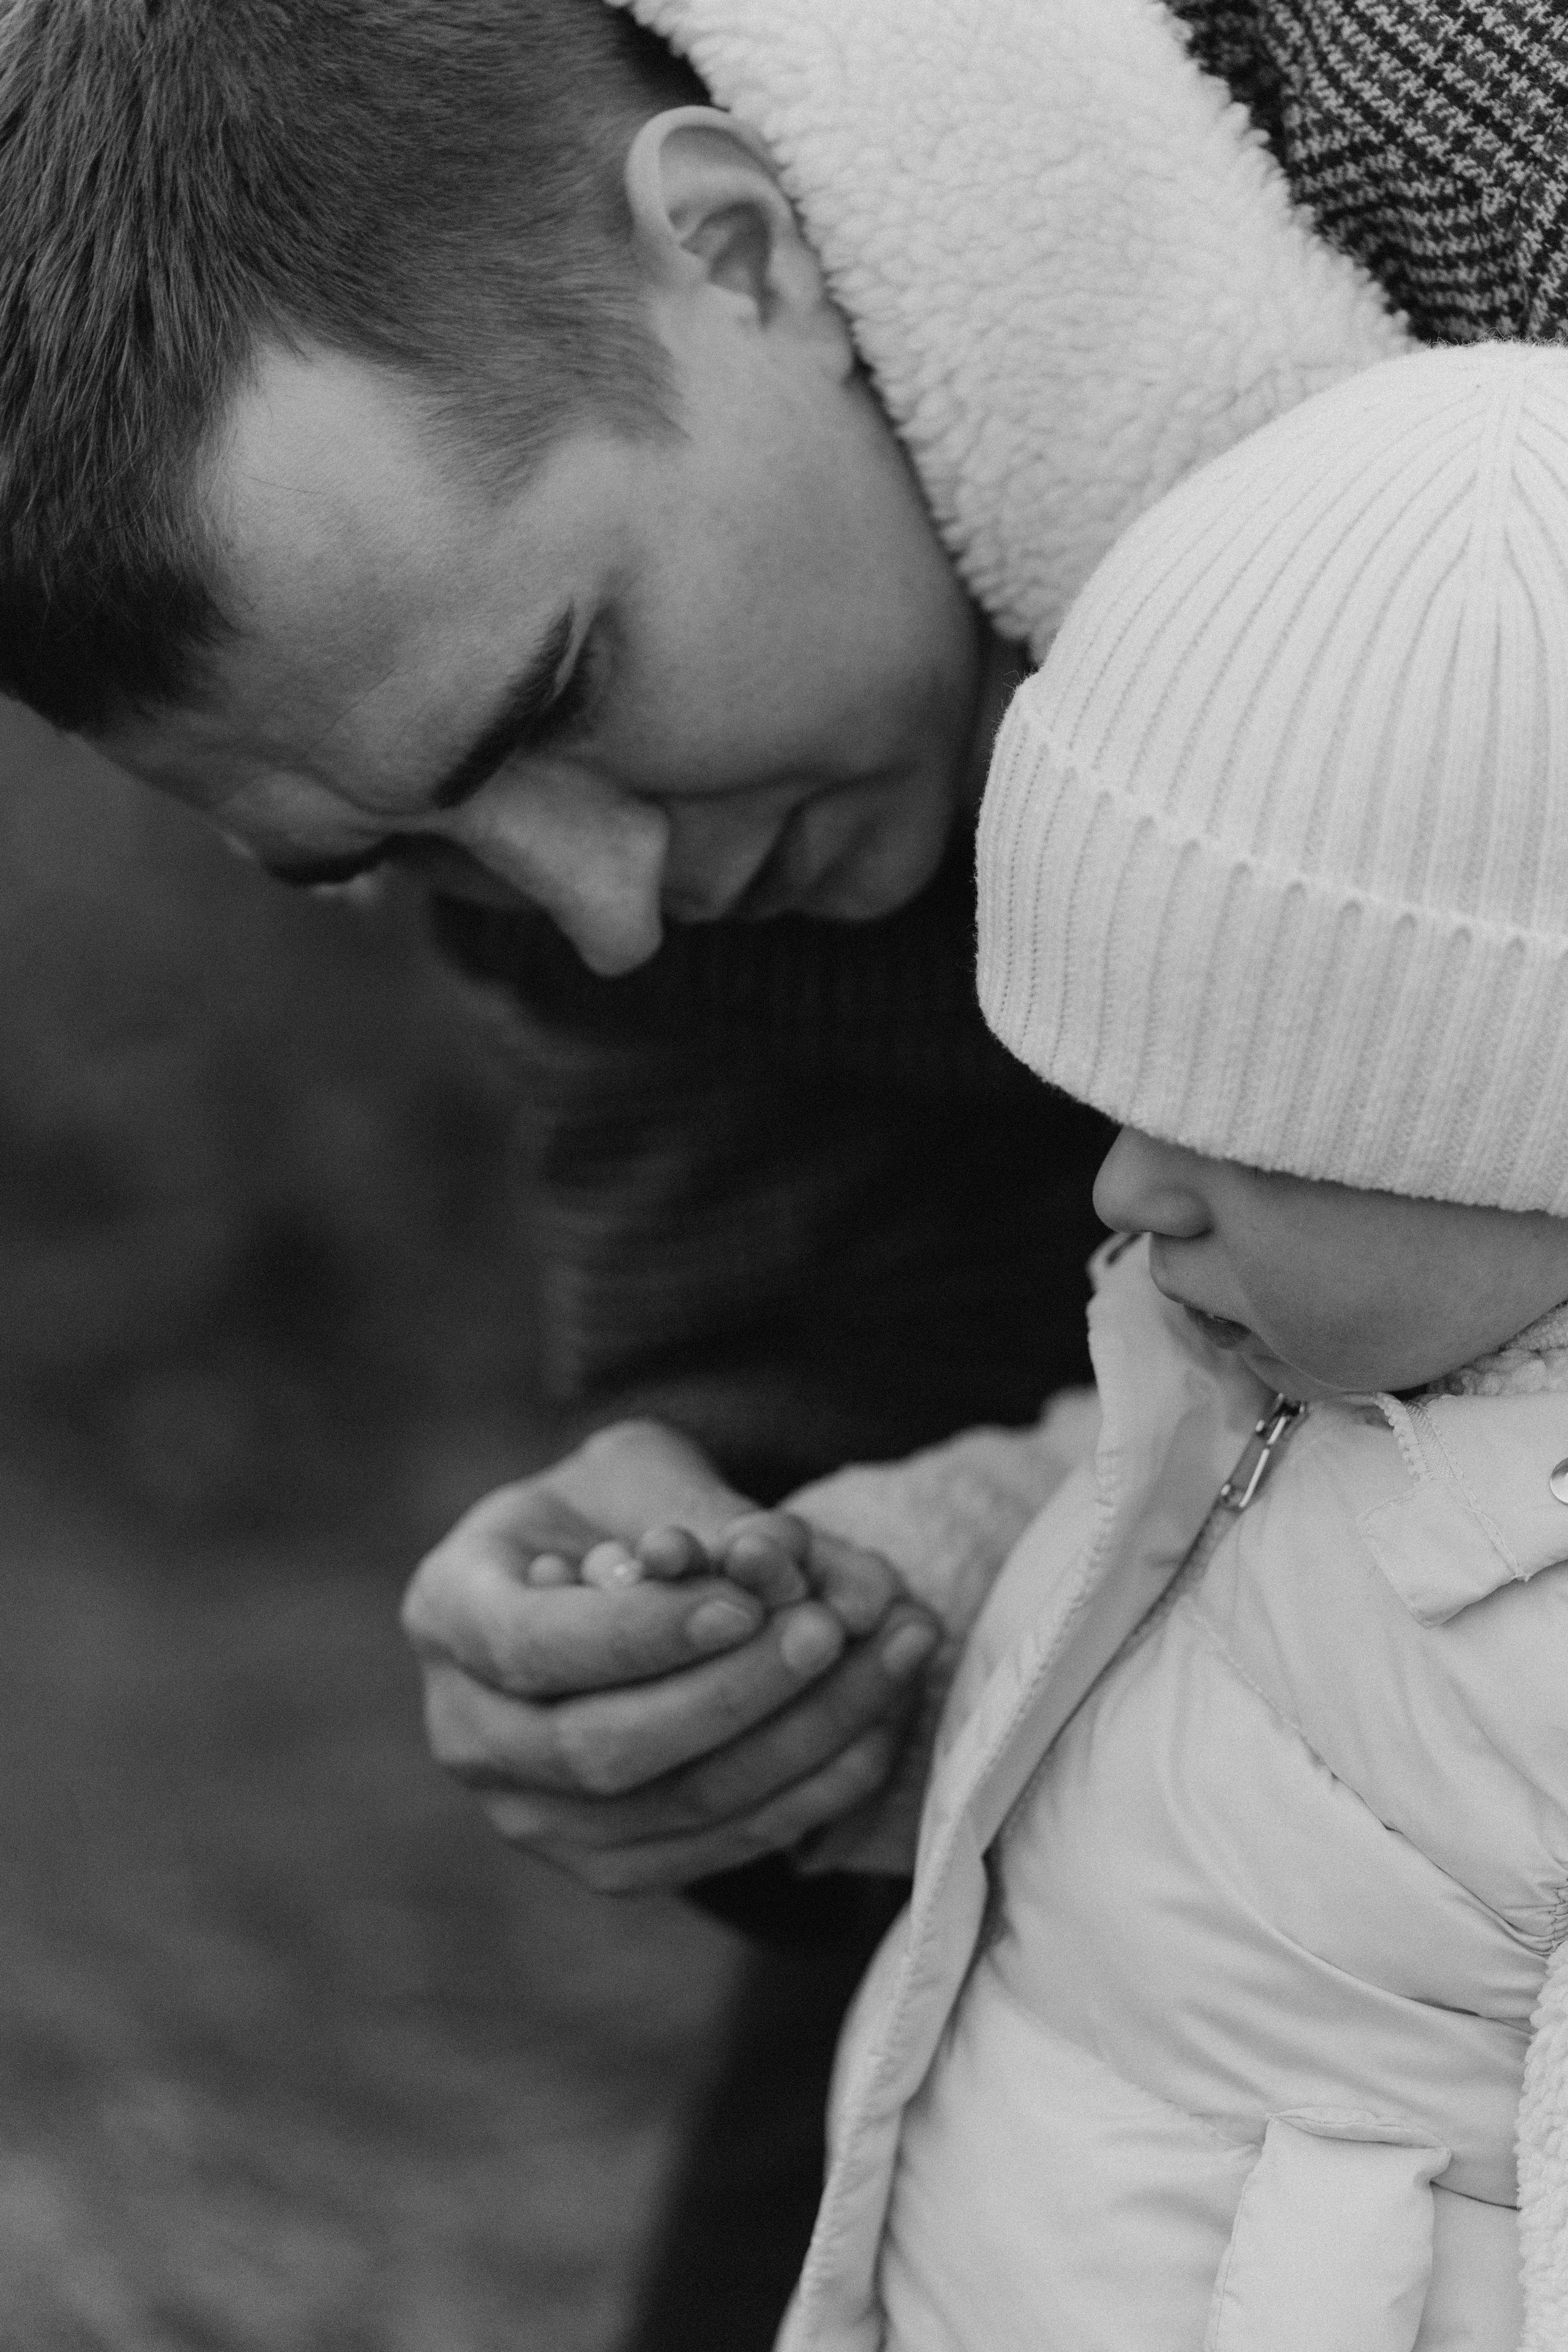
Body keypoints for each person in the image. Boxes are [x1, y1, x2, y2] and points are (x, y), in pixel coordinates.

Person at [573, 341, 1568, 2348]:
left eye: (1233, 1123)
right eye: (1116, 1100)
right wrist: (881, 1599)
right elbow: (1134, 1580)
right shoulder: (1260, 1365)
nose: (1125, 1190)